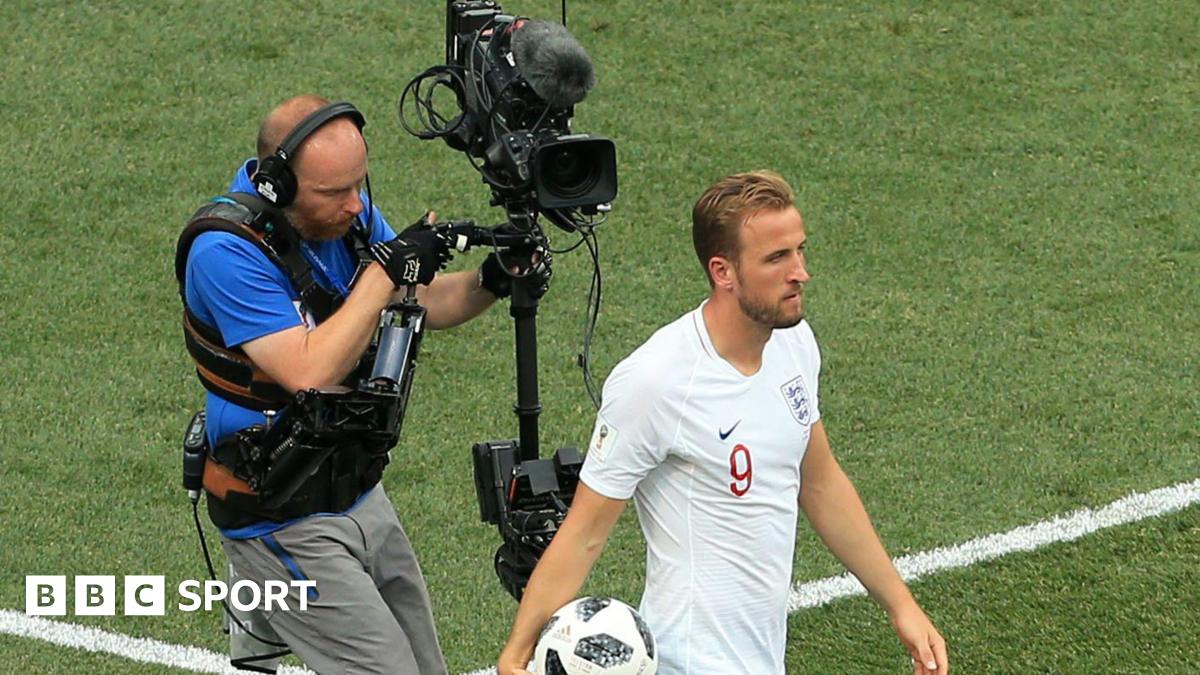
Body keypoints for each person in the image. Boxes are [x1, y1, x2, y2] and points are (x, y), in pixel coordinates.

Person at [497, 171, 948, 675]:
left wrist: (900, 604)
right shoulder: (657, 380)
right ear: (723, 271)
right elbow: (583, 534)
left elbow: (820, 483)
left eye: (800, 251)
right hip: (688, 662)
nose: (800, 272)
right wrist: (517, 653)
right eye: (777, 258)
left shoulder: (794, 344)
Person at [177, 94, 545, 674]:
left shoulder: (345, 219)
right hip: (281, 512)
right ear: (276, 183)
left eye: (358, 185)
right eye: (333, 193)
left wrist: (492, 279)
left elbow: (416, 298)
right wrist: (385, 268)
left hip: (356, 489)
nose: (355, 205)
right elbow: (308, 370)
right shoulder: (224, 250)